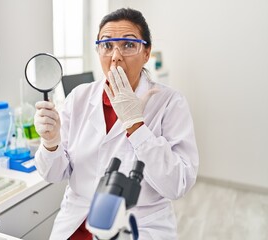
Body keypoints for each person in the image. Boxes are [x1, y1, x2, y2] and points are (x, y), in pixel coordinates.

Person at [34, 8, 199, 240]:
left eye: (129, 45)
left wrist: (136, 126)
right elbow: (54, 174)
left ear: (147, 52)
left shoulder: (170, 102)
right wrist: (51, 143)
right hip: (78, 222)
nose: (115, 56)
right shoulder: (79, 98)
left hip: (137, 225)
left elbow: (177, 184)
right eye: (107, 45)